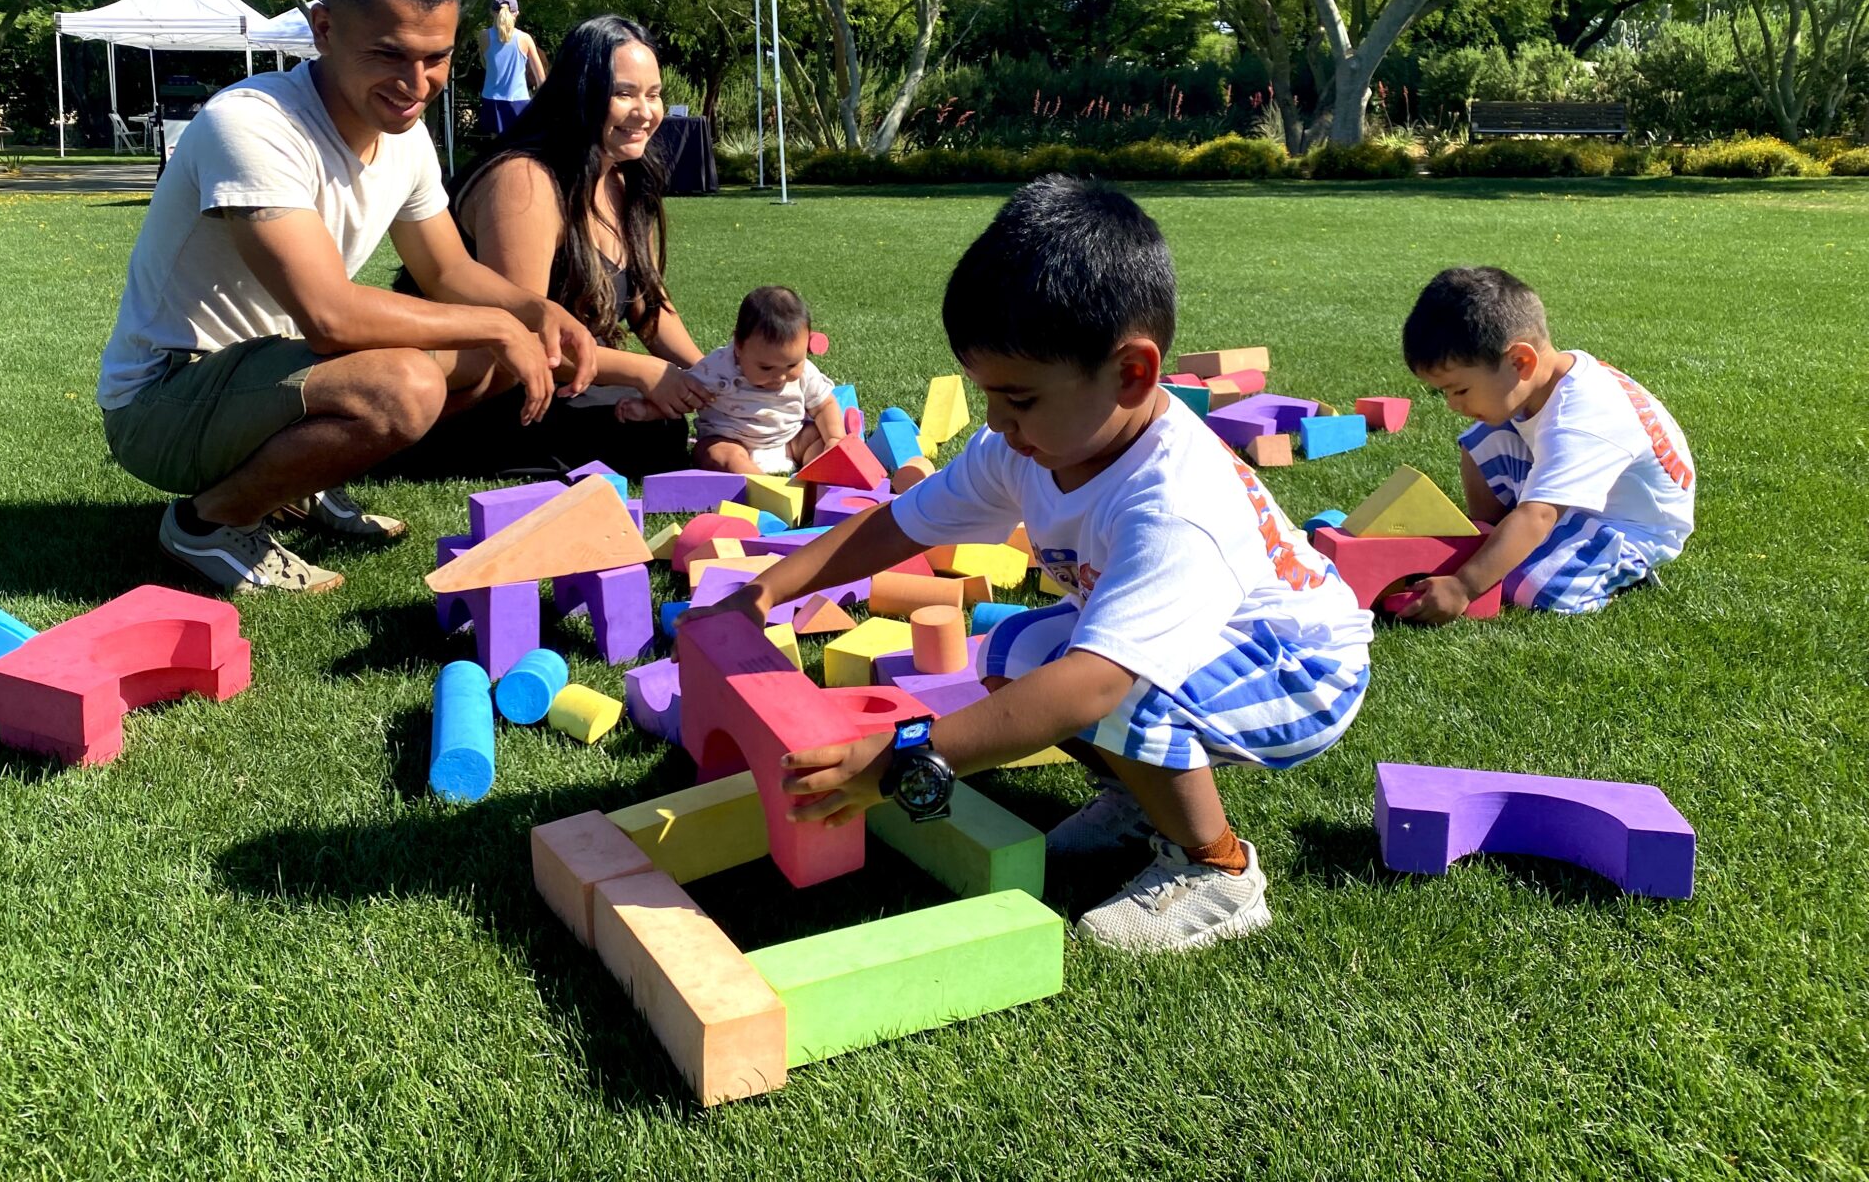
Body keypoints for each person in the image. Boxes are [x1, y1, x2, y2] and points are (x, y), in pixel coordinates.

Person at [688, 176, 1373, 953]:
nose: (997, 424)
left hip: (1301, 671)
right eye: (988, 396)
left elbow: (1096, 684)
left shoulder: (1174, 505)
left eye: (1018, 398)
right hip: (1212, 645)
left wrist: (903, 759)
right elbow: (901, 526)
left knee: (1107, 691)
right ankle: (1140, 798)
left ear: (1132, 374)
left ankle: (1218, 869)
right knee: (1019, 652)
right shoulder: (1036, 443)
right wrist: (766, 590)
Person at [96, 0, 598, 594]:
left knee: (484, 360)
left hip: (268, 373)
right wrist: (498, 324)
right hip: (162, 401)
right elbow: (330, 316)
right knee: (408, 386)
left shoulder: (405, 136)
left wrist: (536, 313)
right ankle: (209, 522)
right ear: (324, 29)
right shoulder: (251, 124)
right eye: (390, 54)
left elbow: (448, 272)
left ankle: (301, 483)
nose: (416, 83)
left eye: (437, 58)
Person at [396, 15, 709, 481]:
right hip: (498, 386)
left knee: (659, 427)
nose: (645, 111)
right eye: (624, 93)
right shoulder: (525, 180)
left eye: (654, 94)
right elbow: (521, 339)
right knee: (645, 431)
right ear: (581, 92)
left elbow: (650, 308)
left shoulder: (626, 179)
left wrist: (714, 377)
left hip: (570, 371)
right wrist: (645, 373)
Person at [1395, 265, 1695, 622]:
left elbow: (1538, 515)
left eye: (1460, 390)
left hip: (1628, 526)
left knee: (1528, 585)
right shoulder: (1542, 383)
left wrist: (1463, 587)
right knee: (1484, 438)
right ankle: (1490, 538)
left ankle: (1610, 572)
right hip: (1591, 493)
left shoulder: (1581, 417)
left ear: (1521, 361)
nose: (1452, 404)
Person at [670, 285, 845, 475]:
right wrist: (647, 407)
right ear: (739, 346)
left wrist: (835, 438)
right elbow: (682, 391)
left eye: (792, 365)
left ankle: (825, 472)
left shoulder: (806, 373)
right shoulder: (716, 368)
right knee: (716, 452)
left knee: (818, 437)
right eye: (766, 368)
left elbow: (824, 406)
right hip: (732, 441)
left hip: (789, 443)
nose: (780, 377)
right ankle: (761, 485)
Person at [478, 0, 546, 136]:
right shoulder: (525, 38)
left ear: (492, 12)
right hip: (519, 102)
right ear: (516, 13)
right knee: (516, 149)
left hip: (492, 100)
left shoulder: (483, 36)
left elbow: (485, 64)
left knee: (496, 150)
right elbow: (541, 79)